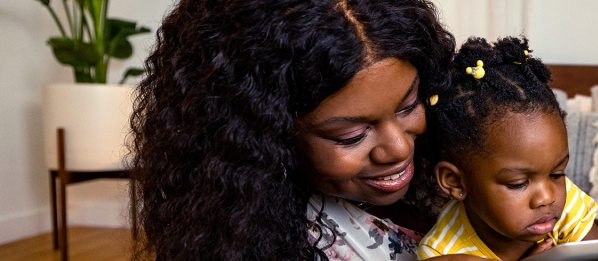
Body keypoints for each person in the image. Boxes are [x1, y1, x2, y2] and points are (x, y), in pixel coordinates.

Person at [129, 0, 454, 259]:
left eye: (409, 105)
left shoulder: (449, 172)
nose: (398, 148)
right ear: (264, 136)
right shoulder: (261, 241)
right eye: (350, 136)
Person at [416, 37, 598, 260]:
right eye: (518, 183)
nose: (547, 197)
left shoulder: (565, 204)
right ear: (455, 181)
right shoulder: (441, 253)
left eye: (557, 174)